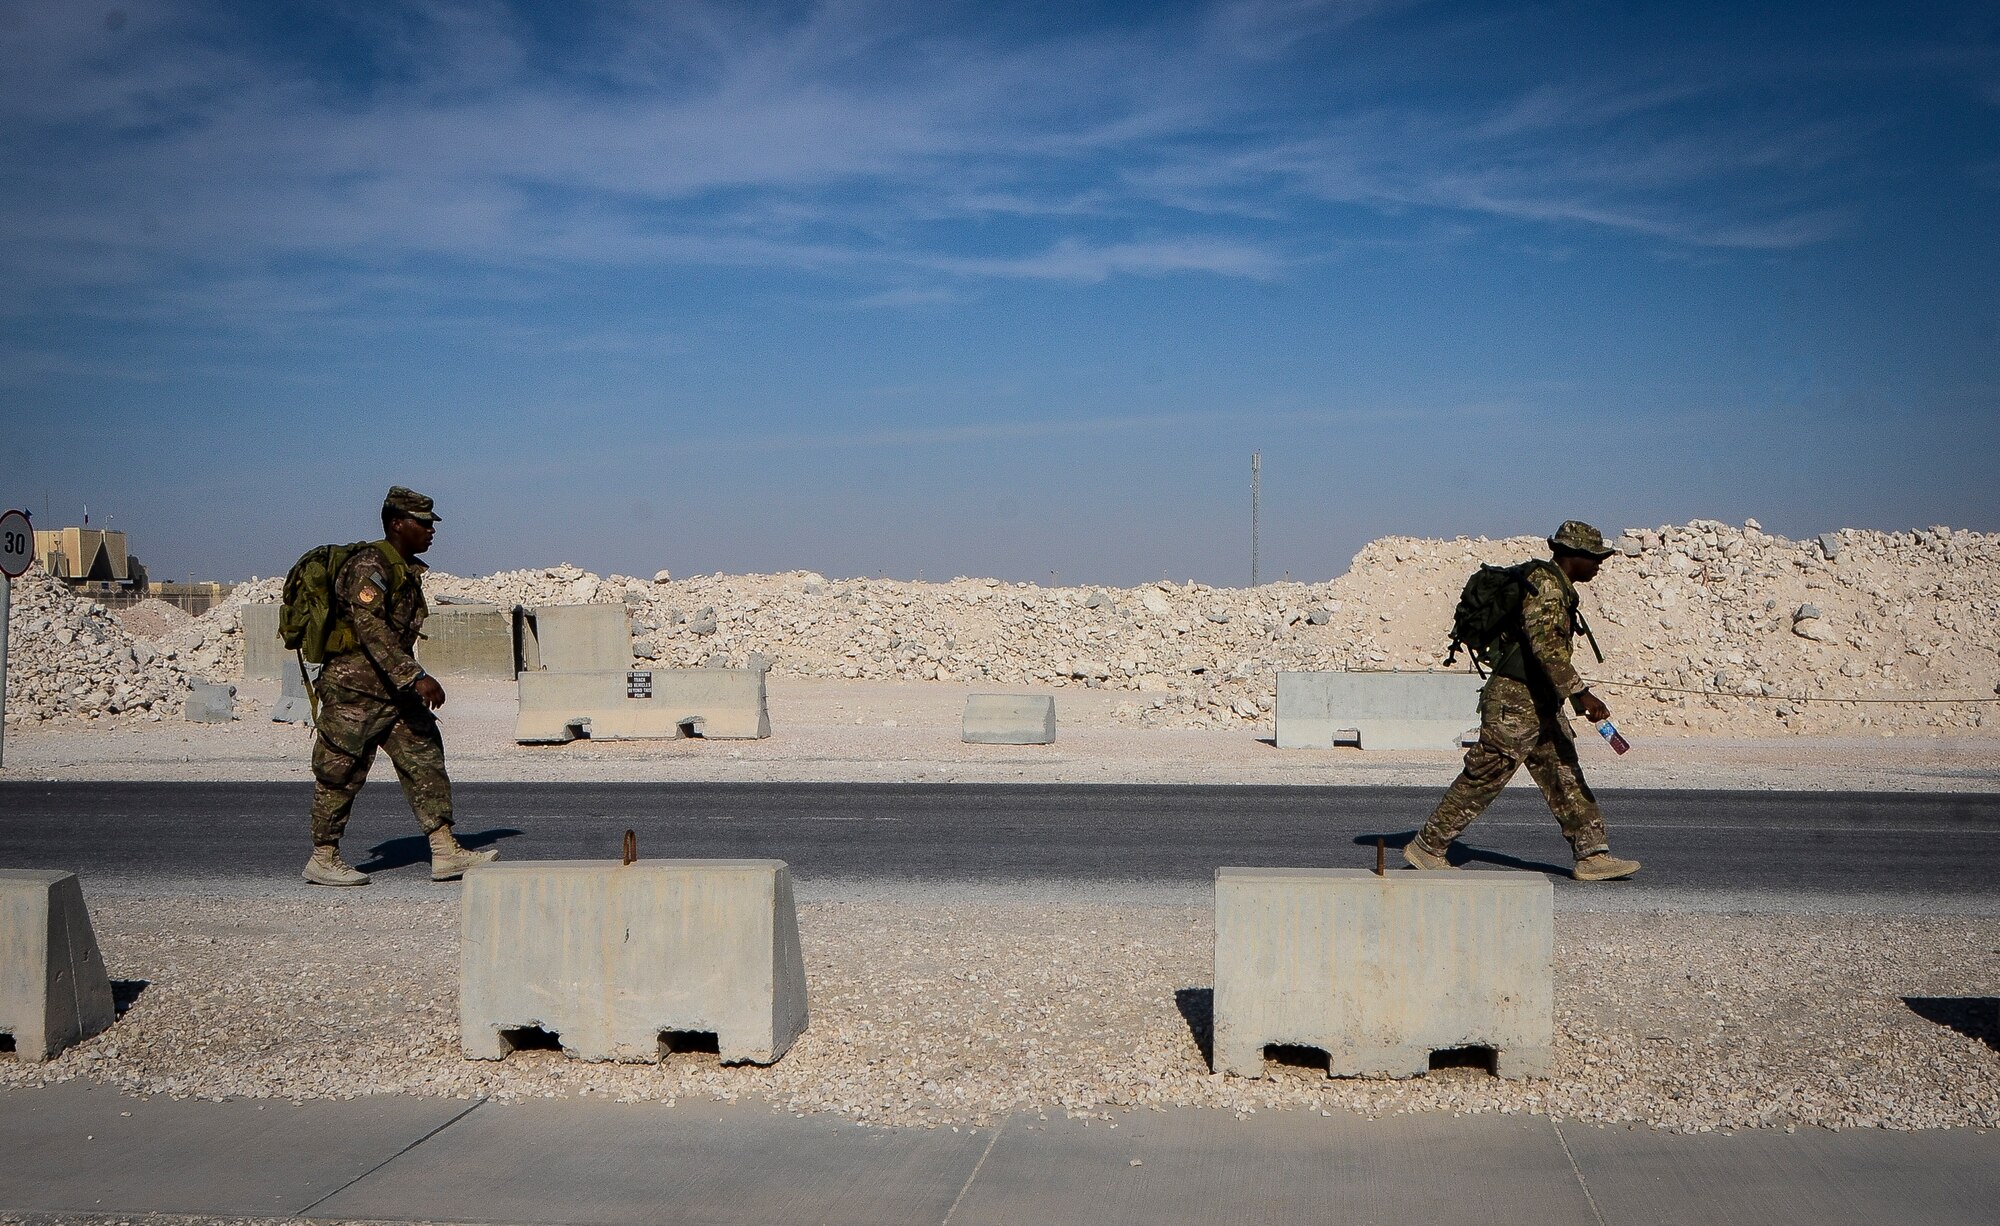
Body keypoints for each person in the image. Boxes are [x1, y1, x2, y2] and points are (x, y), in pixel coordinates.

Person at [1406, 520, 1642, 881]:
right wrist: (1581, 693)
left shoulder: (1557, 587)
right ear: (1573, 555)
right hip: (1515, 703)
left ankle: (1593, 855)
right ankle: (1428, 846)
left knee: (1564, 774)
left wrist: (1568, 695)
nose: (1598, 564)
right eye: (1594, 557)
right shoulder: (1547, 587)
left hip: (1540, 701)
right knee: (1486, 776)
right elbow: (1545, 648)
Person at [301, 487, 498, 887]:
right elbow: (369, 627)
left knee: (424, 757)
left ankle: (444, 850)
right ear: (396, 524)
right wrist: (415, 676)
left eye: (430, 523)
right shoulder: (370, 565)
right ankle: (323, 857)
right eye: (422, 523)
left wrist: (406, 680)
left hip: (391, 691)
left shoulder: (403, 569)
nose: (430, 530)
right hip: (355, 690)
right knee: (341, 772)